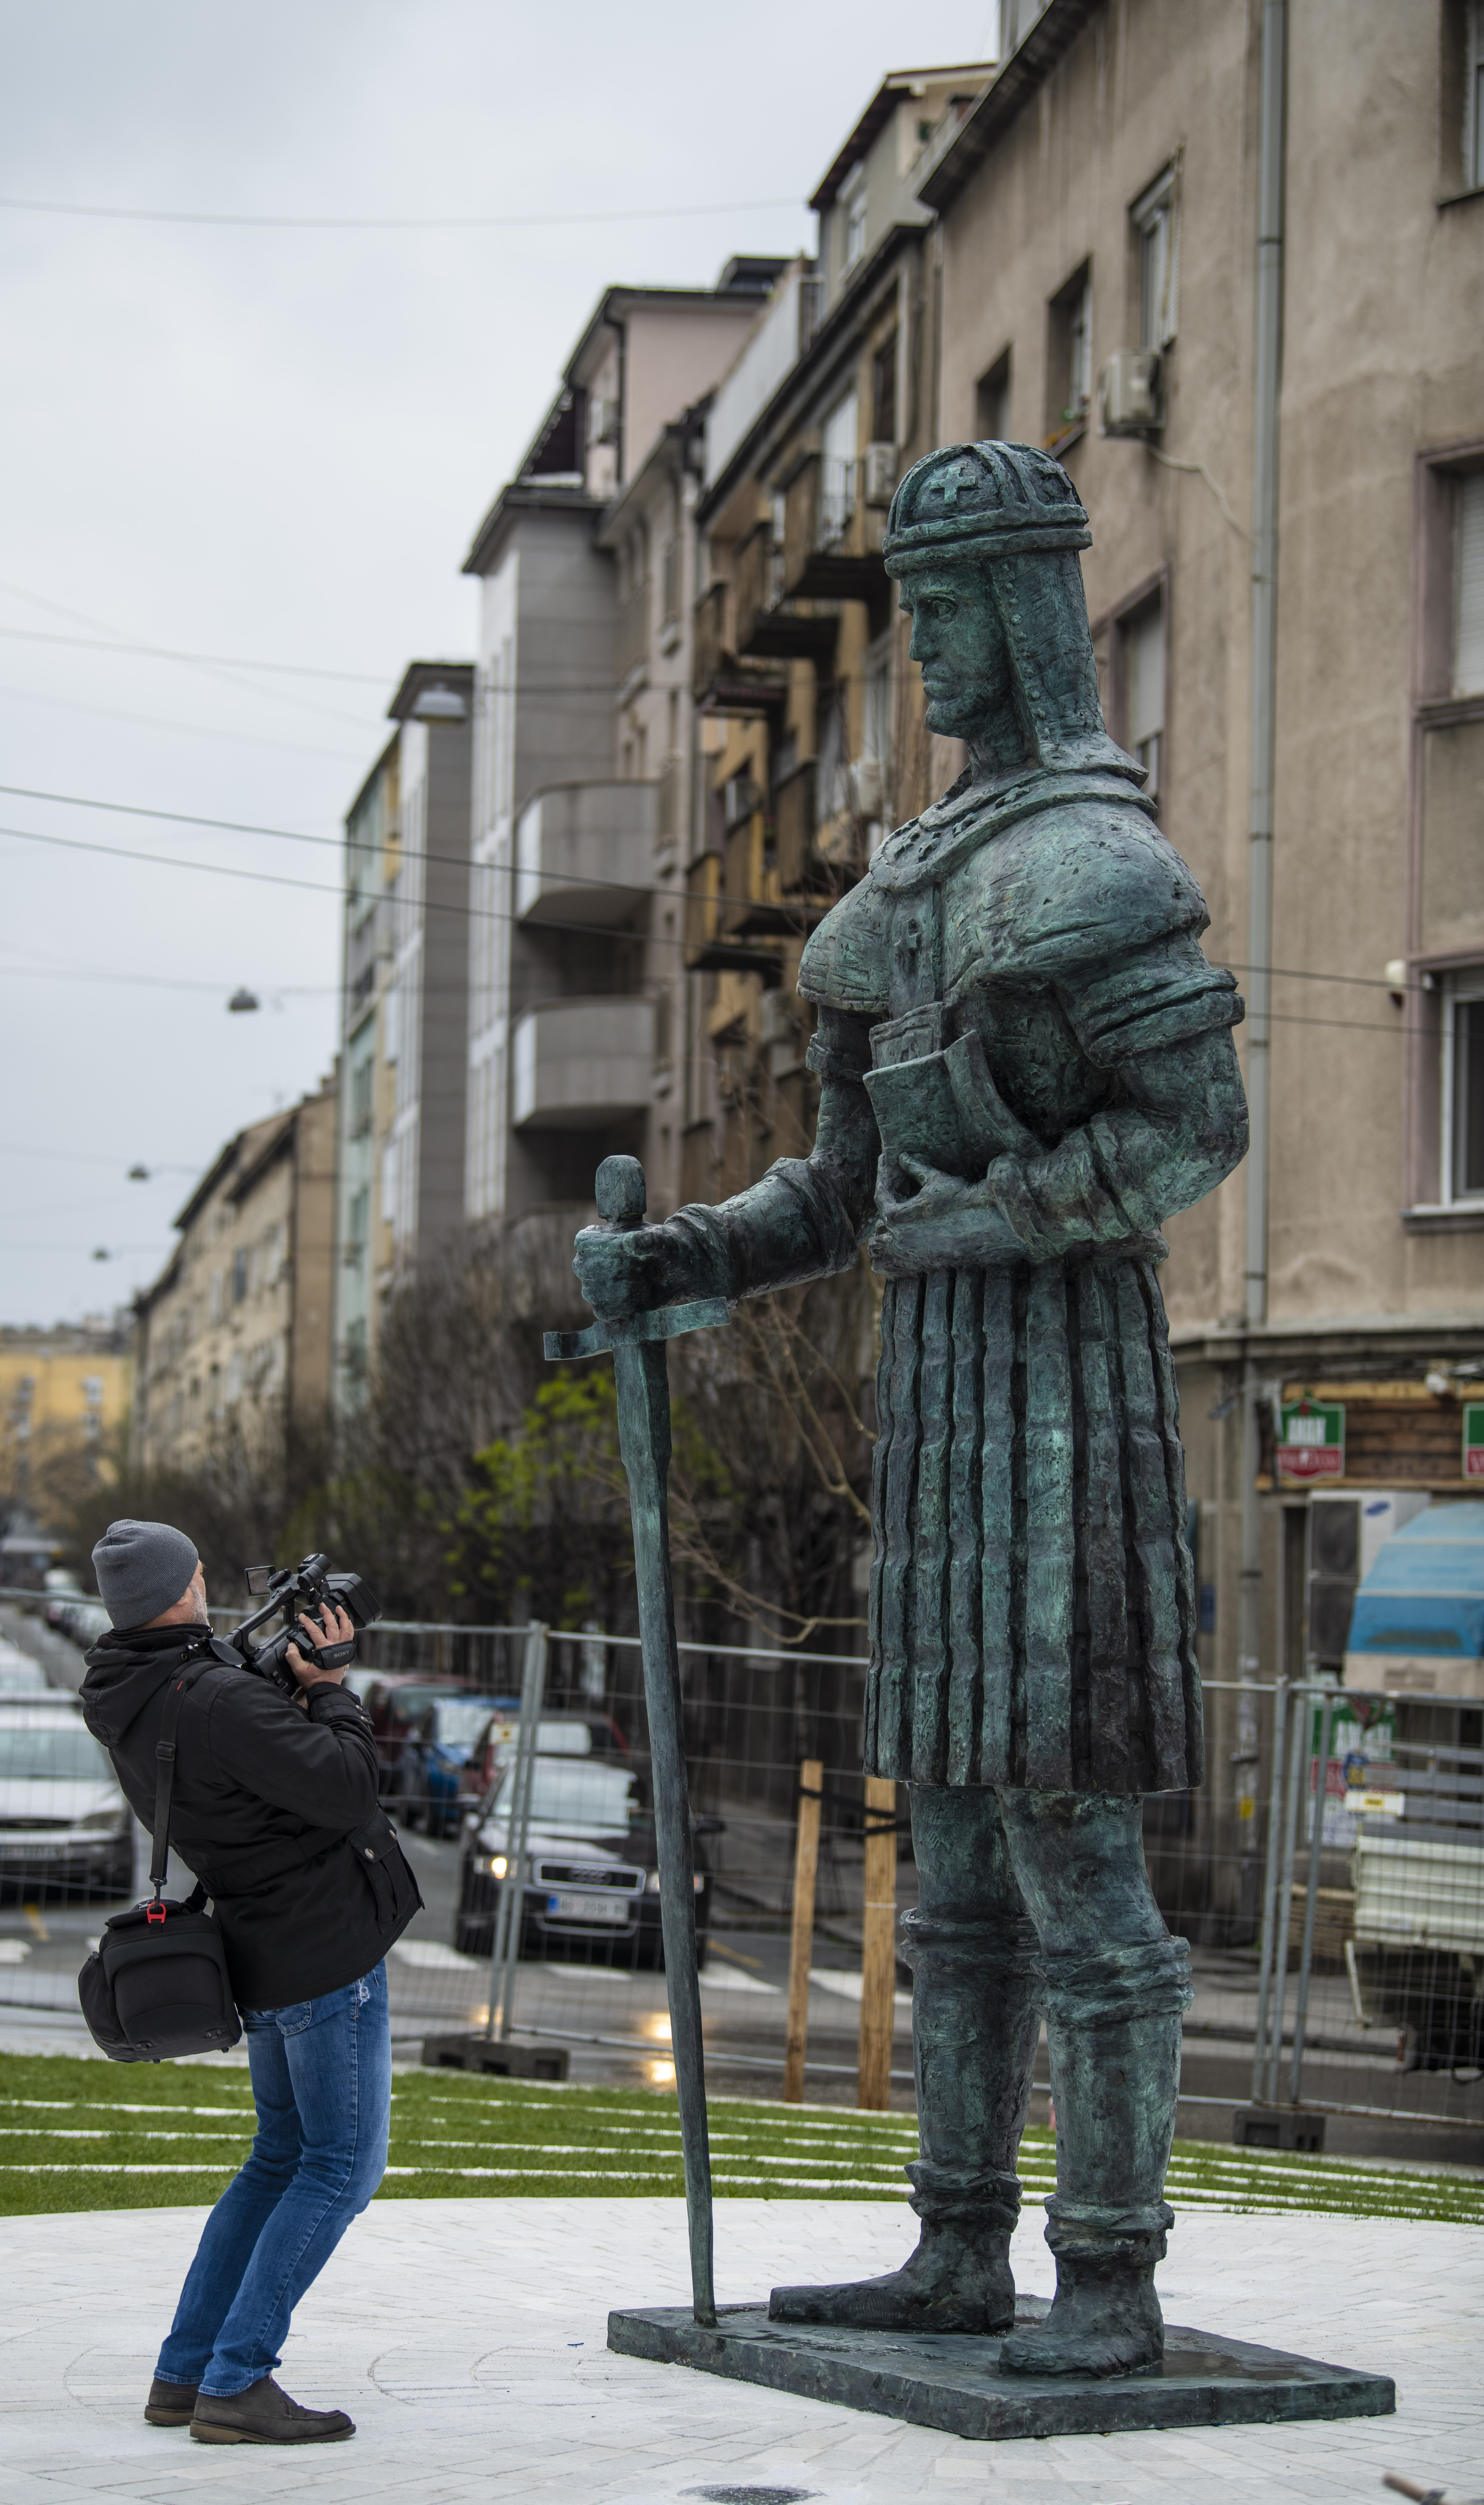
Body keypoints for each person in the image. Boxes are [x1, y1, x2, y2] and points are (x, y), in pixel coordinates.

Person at [574, 441, 1248, 2380]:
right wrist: (688, 1256)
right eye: (915, 617)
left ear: (1028, 614)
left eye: (950, 616)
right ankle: (959, 2252)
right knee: (950, 1858)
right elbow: (846, 1191)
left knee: (1072, 1860)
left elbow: (1197, 1128)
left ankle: (1106, 2271)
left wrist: (1014, 1215)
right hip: (941, 1423)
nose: (924, 654)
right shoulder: (900, 890)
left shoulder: (1099, 869)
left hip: (1070, 1405)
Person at [80, 1517, 417, 2444]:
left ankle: (185, 2373)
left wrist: (283, 1689)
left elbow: (240, 1765)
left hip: (261, 1946)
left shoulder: (130, 1691)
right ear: (184, 1589)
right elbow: (347, 1787)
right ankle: (237, 2380)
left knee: (279, 2160)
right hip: (323, 1951)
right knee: (340, 2169)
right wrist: (334, 1690)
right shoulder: (214, 1698)